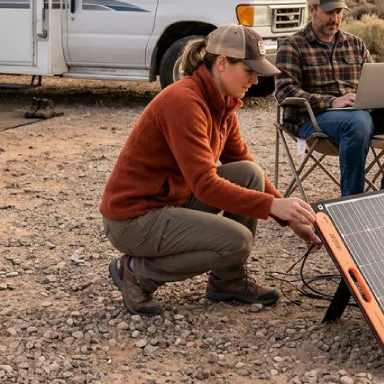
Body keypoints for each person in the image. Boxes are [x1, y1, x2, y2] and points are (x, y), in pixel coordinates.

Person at [99, 24, 319, 317]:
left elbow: (241, 160)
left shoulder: (222, 101)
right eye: (249, 70)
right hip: (133, 220)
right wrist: (272, 206)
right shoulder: (184, 101)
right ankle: (136, 273)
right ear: (222, 62)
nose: (255, 80)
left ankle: (227, 281)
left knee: (249, 172)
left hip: (169, 202)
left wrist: (288, 217)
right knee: (237, 242)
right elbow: (205, 184)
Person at [275, 0, 384, 197]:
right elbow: (284, 91)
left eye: (339, 12)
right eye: (329, 12)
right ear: (312, 9)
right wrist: (331, 101)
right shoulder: (292, 45)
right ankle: (351, 201)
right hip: (314, 119)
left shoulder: (355, 43)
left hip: (361, 113)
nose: (335, 18)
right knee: (358, 122)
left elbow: (375, 81)